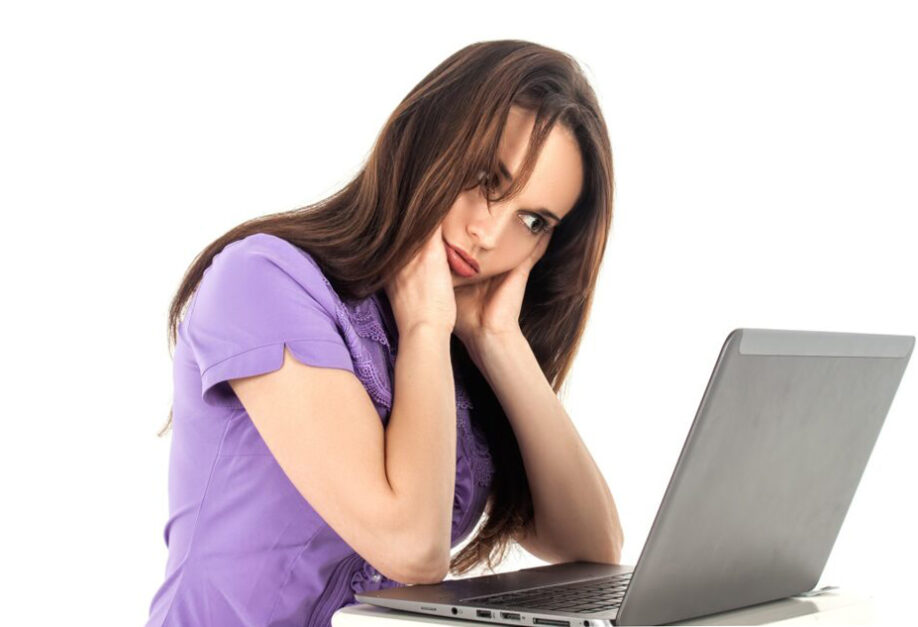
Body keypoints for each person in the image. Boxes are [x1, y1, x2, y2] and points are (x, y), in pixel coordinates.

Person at [147, 39, 622, 627]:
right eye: (485, 179)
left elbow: (594, 551)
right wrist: (425, 328)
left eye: (532, 221)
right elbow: (411, 549)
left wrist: (498, 339)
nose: (489, 234)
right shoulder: (263, 282)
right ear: (428, 138)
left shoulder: (457, 350)